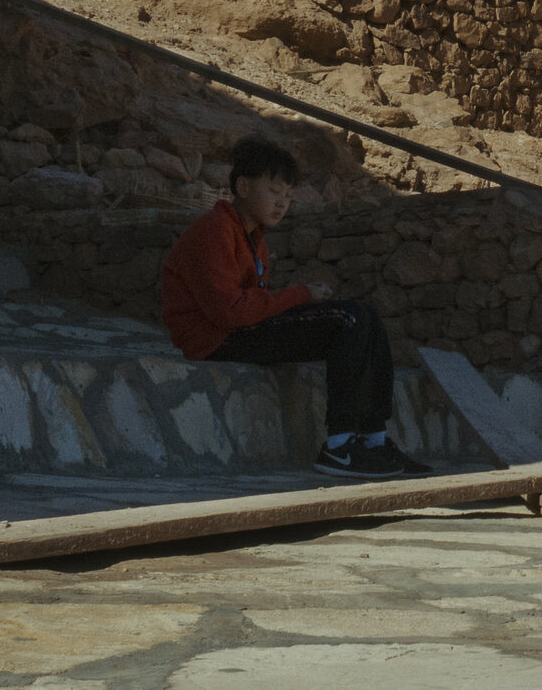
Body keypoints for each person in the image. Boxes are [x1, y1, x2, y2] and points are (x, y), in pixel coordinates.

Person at [160, 135, 429, 480]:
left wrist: (296, 299)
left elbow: (251, 307)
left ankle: (374, 440)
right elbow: (230, 311)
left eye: (287, 195)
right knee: (346, 319)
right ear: (242, 186)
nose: (282, 203)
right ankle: (340, 445)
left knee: (366, 317)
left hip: (239, 330)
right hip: (215, 338)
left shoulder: (255, 241)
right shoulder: (215, 231)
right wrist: (300, 295)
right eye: (273, 192)